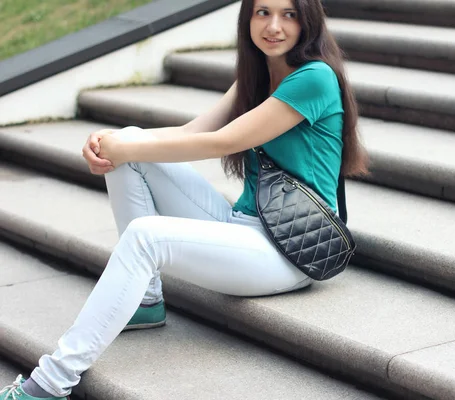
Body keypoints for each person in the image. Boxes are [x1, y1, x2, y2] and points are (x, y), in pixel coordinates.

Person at [1, 0, 368, 398]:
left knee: (146, 235)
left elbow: (223, 141)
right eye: (263, 12)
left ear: (308, 20)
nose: (274, 26)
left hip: (291, 249)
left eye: (289, 14)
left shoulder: (314, 78)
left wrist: (127, 147)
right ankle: (144, 300)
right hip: (245, 225)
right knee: (130, 141)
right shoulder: (259, 74)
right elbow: (194, 129)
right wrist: (112, 143)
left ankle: (49, 385)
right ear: (248, 18)